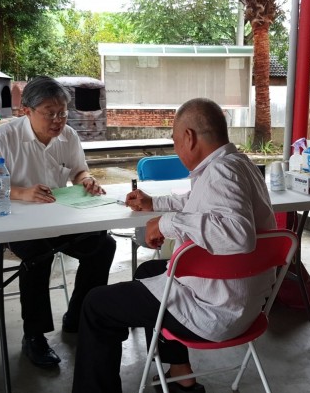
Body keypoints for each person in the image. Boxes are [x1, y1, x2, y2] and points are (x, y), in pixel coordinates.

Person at [72, 98, 277, 393]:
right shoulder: (238, 165)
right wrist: (155, 204)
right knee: (148, 271)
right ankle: (181, 375)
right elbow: (198, 204)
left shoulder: (221, 173)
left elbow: (237, 234)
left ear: (189, 138)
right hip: (247, 304)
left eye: (174, 139)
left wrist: (167, 224)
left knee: (95, 305)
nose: (175, 147)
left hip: (216, 311)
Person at [0, 76, 116, 368]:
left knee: (103, 245)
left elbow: (79, 171)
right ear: (26, 110)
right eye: (49, 113)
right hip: (18, 224)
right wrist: (22, 193)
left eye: (62, 112)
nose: (58, 120)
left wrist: (87, 181)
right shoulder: (4, 137)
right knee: (38, 257)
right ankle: (34, 335)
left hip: (62, 219)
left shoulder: (69, 136)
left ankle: (78, 316)